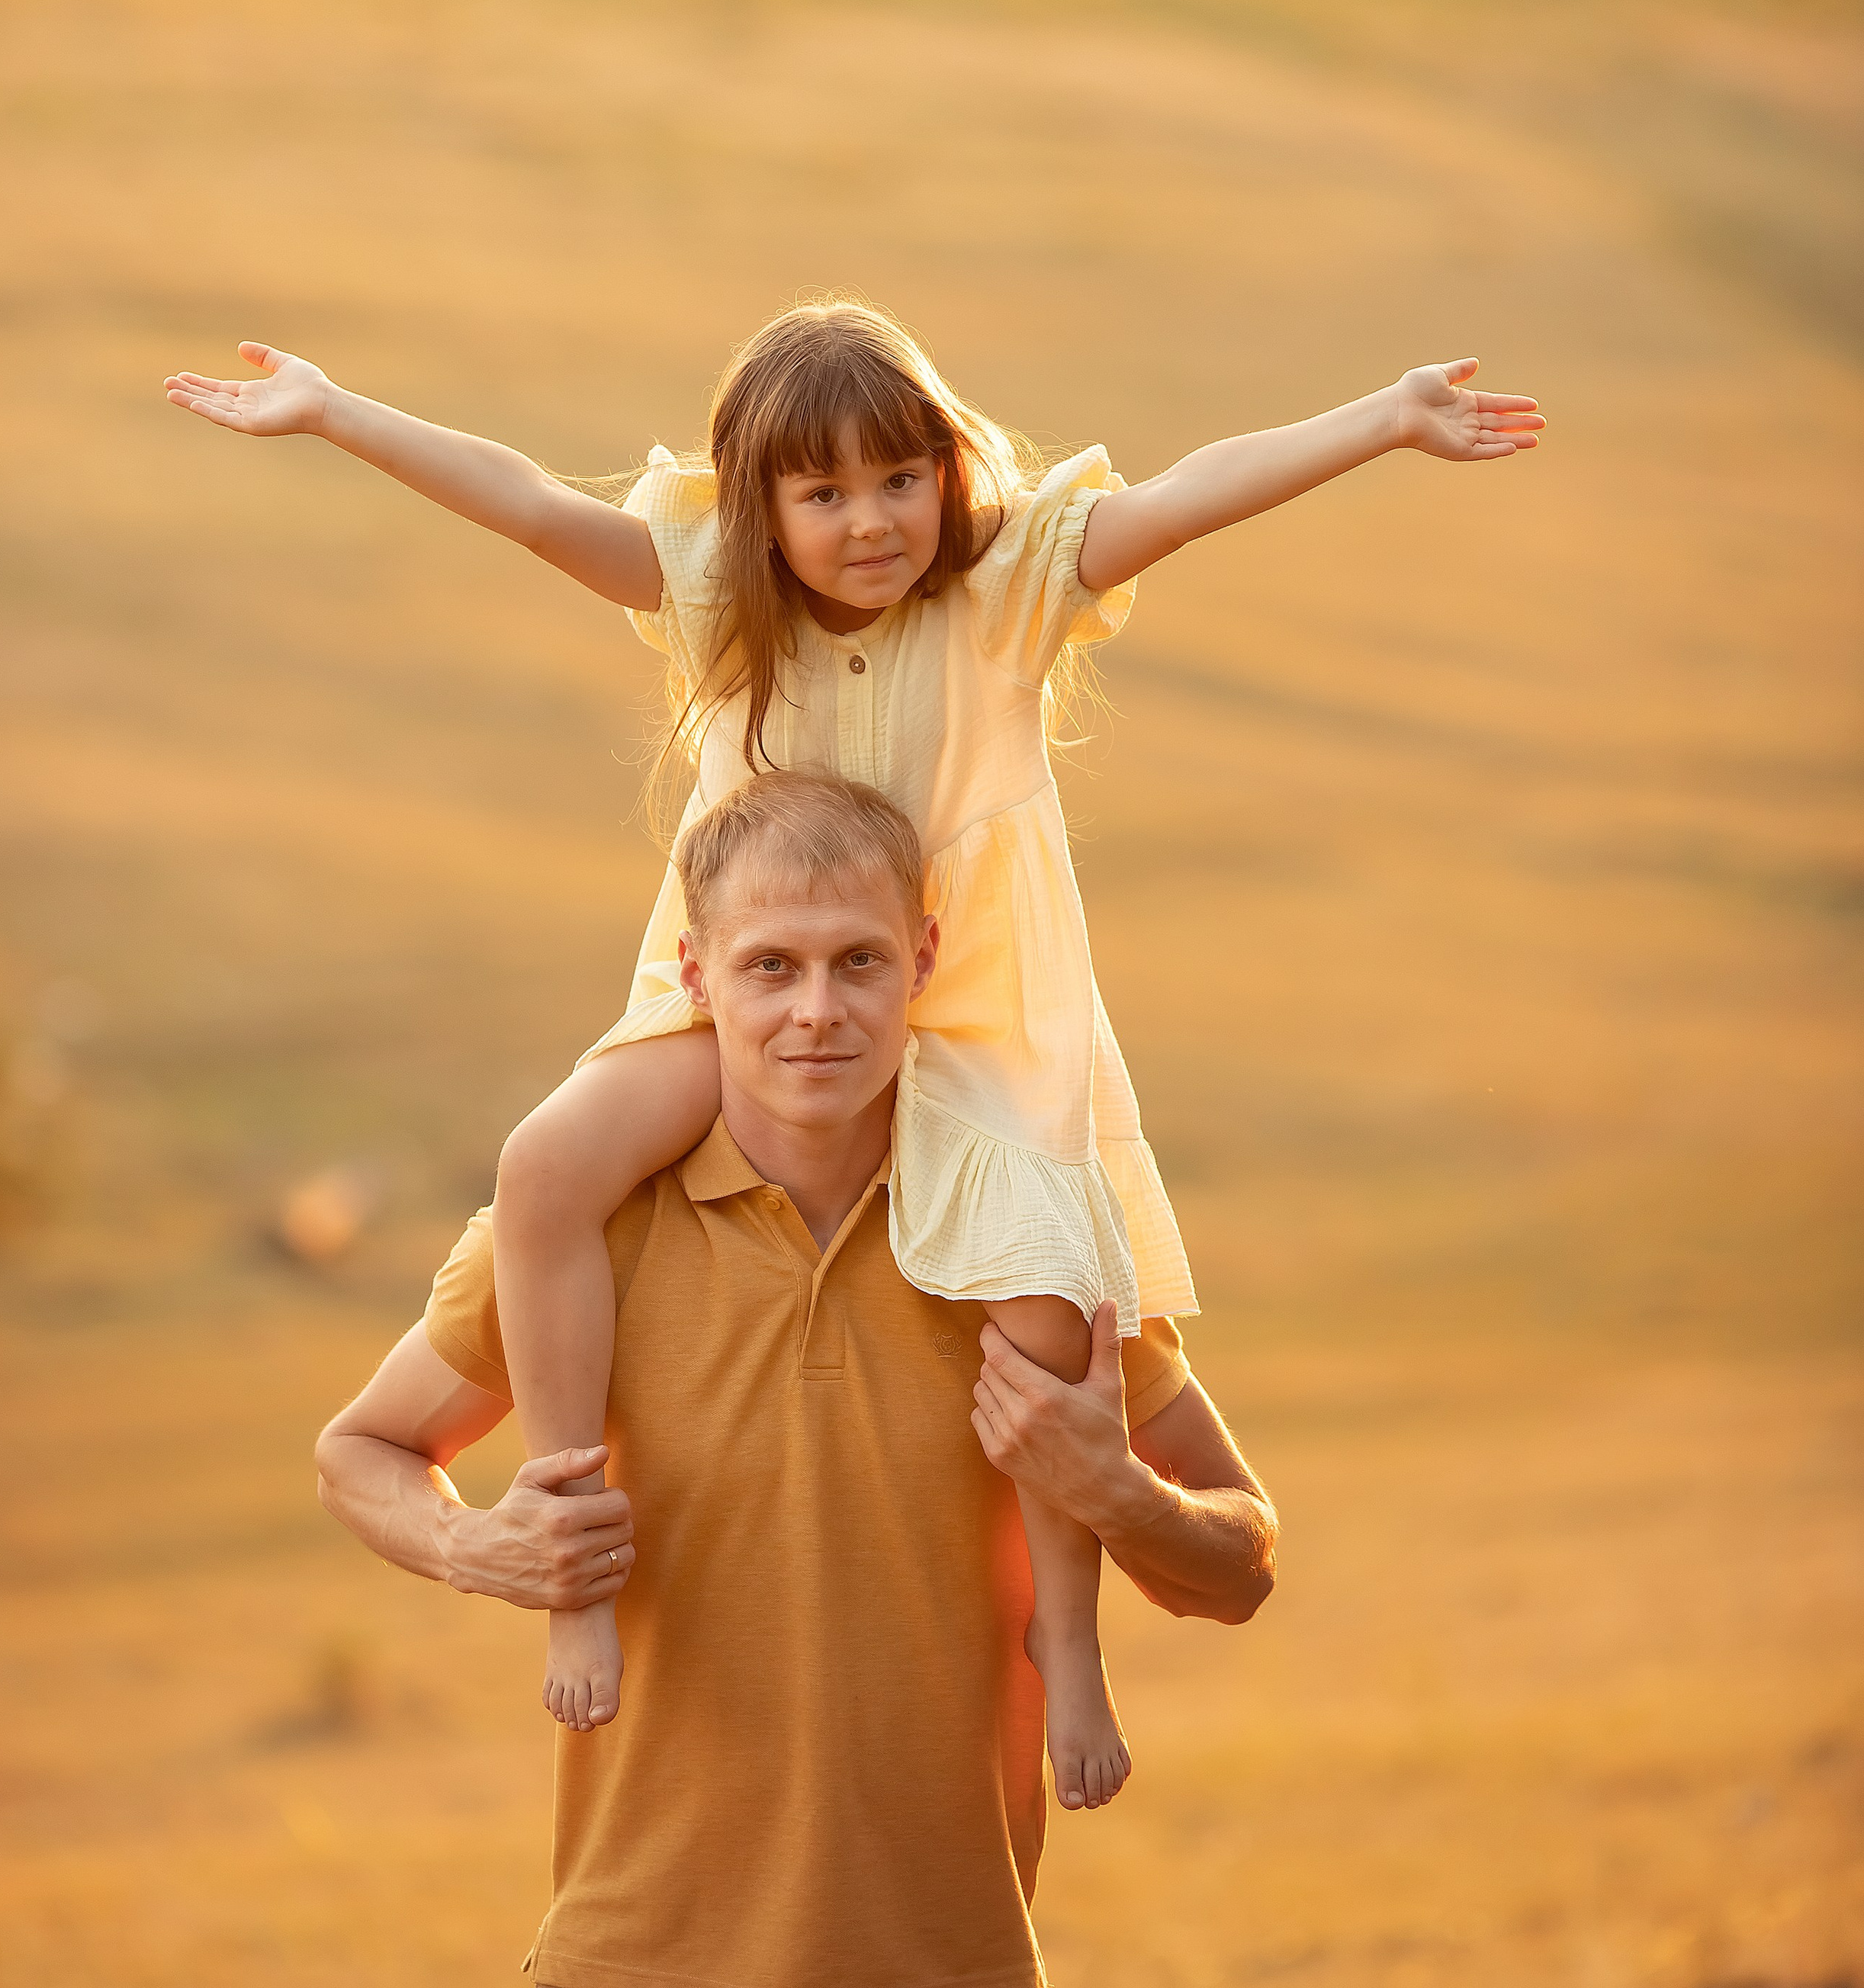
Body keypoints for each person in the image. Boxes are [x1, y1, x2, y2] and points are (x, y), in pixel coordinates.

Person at [169, 295, 1541, 1802]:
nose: (871, 521)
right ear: (759, 510)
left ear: (947, 471)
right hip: (743, 1006)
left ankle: (1067, 1638)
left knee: (1043, 1284)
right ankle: (573, 1550)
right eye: (821, 493)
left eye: (899, 478)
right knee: (548, 1164)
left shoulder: (1004, 591)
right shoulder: (715, 598)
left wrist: (1382, 418)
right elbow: (532, 502)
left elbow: (1185, 494)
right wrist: (335, 411)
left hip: (973, 1008)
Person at [316, 770, 1278, 1988]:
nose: (816, 1011)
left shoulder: (1017, 1238)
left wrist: (1121, 1495)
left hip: (950, 1960)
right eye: (771, 966)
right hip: (631, 1959)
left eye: (857, 962)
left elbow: (1244, 1564)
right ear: (695, 975)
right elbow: (359, 1454)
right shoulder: (591, 1233)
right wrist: (475, 1548)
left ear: (923, 963)